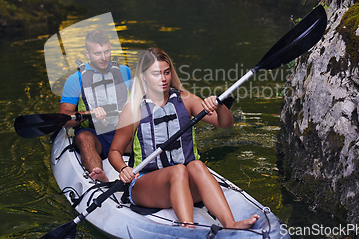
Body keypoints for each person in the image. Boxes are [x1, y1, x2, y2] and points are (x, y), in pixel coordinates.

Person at [108, 48, 259, 229]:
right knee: (178, 170)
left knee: (196, 165)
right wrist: (123, 168)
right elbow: (115, 151)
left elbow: (226, 123)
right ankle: (188, 228)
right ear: (144, 77)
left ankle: (230, 223)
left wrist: (219, 106)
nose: (163, 79)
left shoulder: (186, 100)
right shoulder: (133, 109)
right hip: (146, 185)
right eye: (156, 74)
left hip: (185, 183)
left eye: (166, 72)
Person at [59, 29, 132, 182]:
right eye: (97, 53)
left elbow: (138, 102)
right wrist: (89, 112)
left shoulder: (124, 72)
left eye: (106, 51)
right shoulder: (75, 79)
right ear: (87, 54)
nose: (104, 58)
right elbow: (64, 118)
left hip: (123, 136)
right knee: (84, 138)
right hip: (96, 137)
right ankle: (99, 177)